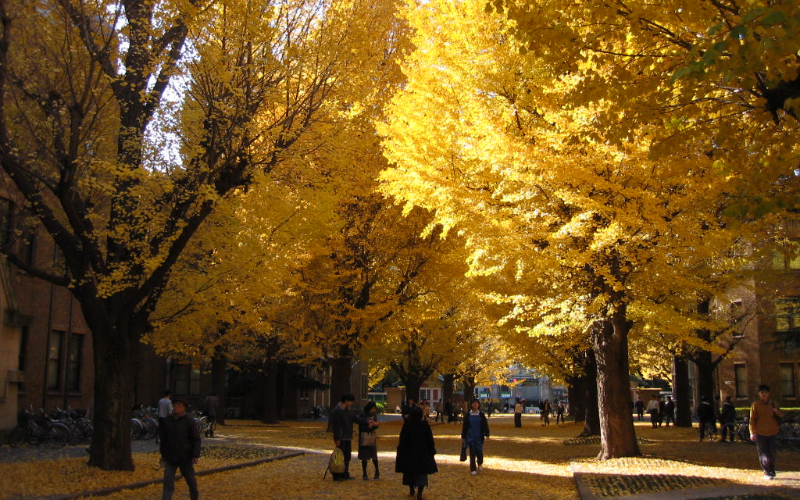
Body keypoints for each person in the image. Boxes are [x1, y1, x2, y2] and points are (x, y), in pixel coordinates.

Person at [160, 397, 201, 500]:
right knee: (168, 481)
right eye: (175, 405)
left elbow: (196, 439)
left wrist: (195, 455)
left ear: (184, 408)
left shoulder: (189, 420)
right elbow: (163, 439)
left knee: (191, 481)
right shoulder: (168, 420)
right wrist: (163, 454)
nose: (176, 407)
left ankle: (194, 497)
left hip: (185, 456)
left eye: (179, 405)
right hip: (170, 456)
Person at [395, 406, 437, 500]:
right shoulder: (424, 425)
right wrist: (431, 450)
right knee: (422, 473)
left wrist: (401, 450)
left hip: (409, 453)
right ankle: (420, 493)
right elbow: (430, 439)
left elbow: (402, 439)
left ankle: (411, 489)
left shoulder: (407, 425)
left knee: (409, 472)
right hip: (422, 453)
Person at [330, 393, 374, 480]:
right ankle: (337, 474)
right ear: (346, 401)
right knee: (340, 456)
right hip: (341, 437)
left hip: (348, 436)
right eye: (350, 402)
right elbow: (336, 426)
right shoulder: (337, 411)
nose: (351, 404)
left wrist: (367, 421)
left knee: (347, 456)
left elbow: (356, 419)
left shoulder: (348, 411)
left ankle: (345, 473)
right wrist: (337, 438)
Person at [750, 384, 783, 480]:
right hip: (760, 432)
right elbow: (752, 420)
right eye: (761, 392)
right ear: (759, 394)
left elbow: (781, 415)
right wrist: (752, 432)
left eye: (765, 392)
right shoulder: (755, 405)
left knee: (772, 453)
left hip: (772, 431)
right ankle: (767, 471)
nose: (763, 394)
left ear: (769, 393)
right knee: (764, 454)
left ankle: (771, 469)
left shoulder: (773, 403)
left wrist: (776, 411)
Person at [461, 399, 490, 475]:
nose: (475, 405)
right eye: (473, 403)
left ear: (478, 405)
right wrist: (463, 436)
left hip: (479, 437)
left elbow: (485, 425)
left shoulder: (481, 415)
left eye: (476, 403)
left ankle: (480, 462)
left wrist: (487, 434)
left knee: (479, 452)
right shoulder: (468, 415)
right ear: (471, 405)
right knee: (472, 453)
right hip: (470, 437)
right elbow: (465, 426)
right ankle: (473, 469)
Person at [358, 401, 380, 480]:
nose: (373, 411)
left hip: (371, 436)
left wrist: (375, 425)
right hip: (364, 436)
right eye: (372, 409)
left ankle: (377, 471)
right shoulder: (362, 414)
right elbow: (361, 426)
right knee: (364, 456)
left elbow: (376, 424)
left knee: (374, 455)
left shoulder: (373, 414)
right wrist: (369, 426)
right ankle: (364, 473)